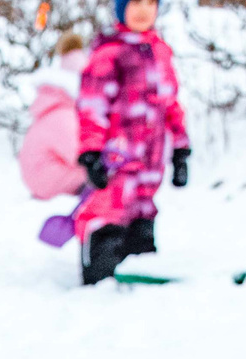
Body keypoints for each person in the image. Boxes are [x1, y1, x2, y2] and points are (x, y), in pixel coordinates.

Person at [75, 0, 190, 285]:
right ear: (120, 8)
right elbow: (92, 106)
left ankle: (138, 281)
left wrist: (180, 149)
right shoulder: (109, 53)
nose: (143, 10)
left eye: (150, 3)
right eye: (134, 2)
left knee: (144, 214)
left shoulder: (160, 52)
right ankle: (99, 278)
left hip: (151, 163)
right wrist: (91, 152)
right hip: (116, 160)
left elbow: (171, 105)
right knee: (109, 212)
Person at [19, 30, 93, 214]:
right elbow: (77, 155)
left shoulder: (53, 109)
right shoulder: (62, 116)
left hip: (39, 176)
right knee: (97, 177)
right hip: (45, 181)